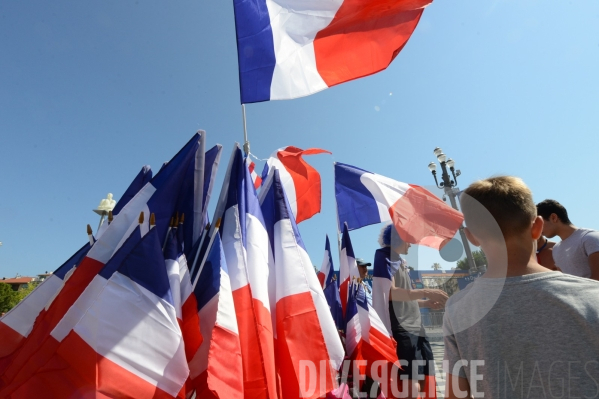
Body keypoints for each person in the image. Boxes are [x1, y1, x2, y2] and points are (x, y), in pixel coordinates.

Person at [444, 176, 599, 399]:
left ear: (471, 238)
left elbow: (456, 395)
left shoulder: (457, 309)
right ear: (537, 227)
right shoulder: (593, 295)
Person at [375, 224, 448, 398]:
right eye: (409, 240)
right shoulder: (385, 257)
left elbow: (405, 298)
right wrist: (425, 291)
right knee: (411, 377)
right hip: (404, 329)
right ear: (399, 239)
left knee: (424, 375)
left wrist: (425, 303)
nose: (410, 244)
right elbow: (391, 293)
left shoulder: (398, 261)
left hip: (415, 328)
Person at [536, 199, 599, 280]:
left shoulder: (590, 238)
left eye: (540, 223)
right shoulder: (556, 249)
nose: (538, 228)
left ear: (553, 217)